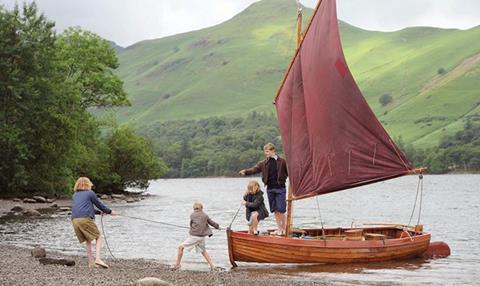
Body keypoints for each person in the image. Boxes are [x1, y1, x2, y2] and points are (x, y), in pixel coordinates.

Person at [239, 143, 288, 235]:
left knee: (281, 209)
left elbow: (289, 172)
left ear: (273, 151)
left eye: (267, 151)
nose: (266, 153)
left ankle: (284, 229)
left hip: (280, 188)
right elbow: (254, 169)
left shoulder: (282, 162)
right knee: (275, 210)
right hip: (270, 189)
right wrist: (246, 172)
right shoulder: (264, 163)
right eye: (265, 152)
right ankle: (279, 229)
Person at [71, 177, 115, 269]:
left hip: (75, 220)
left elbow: (84, 208)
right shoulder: (90, 193)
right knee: (98, 237)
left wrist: (99, 212)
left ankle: (91, 263)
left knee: (88, 240)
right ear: (88, 184)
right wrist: (109, 211)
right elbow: (99, 204)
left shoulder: (75, 195)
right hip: (85, 219)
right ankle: (98, 259)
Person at [173, 201, 220, 272]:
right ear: (202, 208)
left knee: (180, 247)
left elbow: (191, 224)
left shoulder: (192, 215)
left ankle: (177, 265)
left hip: (194, 237)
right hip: (202, 237)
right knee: (203, 251)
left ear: (194, 208)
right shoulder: (205, 215)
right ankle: (212, 266)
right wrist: (217, 227)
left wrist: (192, 229)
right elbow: (212, 223)